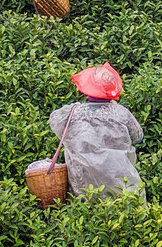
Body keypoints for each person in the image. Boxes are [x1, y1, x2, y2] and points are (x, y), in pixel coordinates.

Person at [49, 62, 144, 200]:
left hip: (82, 183)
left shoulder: (73, 113)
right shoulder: (122, 113)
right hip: (118, 178)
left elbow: (55, 124)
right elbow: (138, 137)